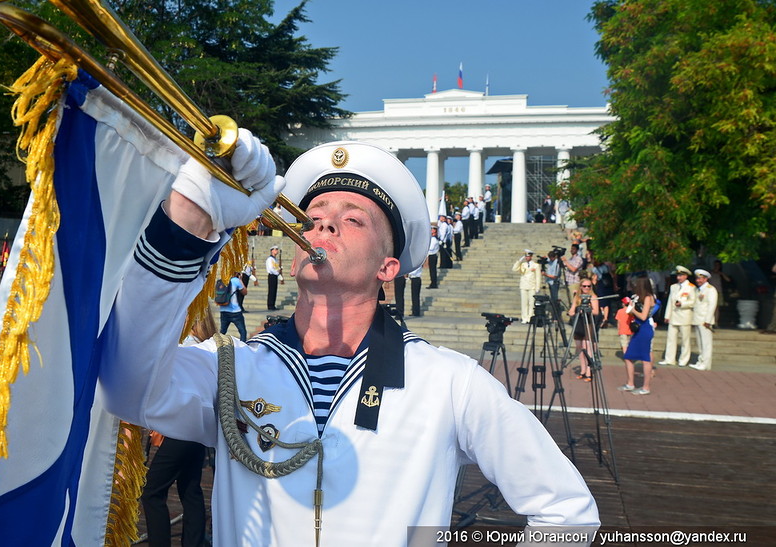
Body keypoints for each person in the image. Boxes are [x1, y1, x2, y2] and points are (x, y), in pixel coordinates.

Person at [100, 135, 599, 544]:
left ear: (388, 268)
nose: (324, 221)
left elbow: (568, 514)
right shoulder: (232, 367)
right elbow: (126, 386)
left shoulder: (449, 382)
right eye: (313, 214)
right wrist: (186, 221)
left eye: (353, 218)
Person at [141, 311, 217, 547]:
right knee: (190, 489)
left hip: (180, 428)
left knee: (152, 492)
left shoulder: (183, 347)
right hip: (200, 429)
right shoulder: (211, 348)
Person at [618, 278, 657, 395]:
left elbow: (644, 316)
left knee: (645, 358)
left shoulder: (648, 297)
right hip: (638, 328)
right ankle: (630, 383)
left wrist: (633, 310)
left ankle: (646, 387)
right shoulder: (638, 297)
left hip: (645, 328)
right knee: (628, 356)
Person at [659, 265, 696, 367]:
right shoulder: (673, 287)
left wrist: (683, 304)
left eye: (681, 275)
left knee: (685, 340)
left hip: (685, 316)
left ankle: (683, 360)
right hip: (674, 316)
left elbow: (693, 302)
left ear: (686, 276)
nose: (678, 277)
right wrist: (667, 315)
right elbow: (670, 302)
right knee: (671, 339)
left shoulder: (691, 287)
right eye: (678, 275)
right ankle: (669, 359)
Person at [568, 278, 600, 382]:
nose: (586, 288)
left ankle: (588, 371)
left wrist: (588, 308)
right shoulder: (577, 297)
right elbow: (571, 311)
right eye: (584, 286)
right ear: (580, 287)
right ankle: (582, 369)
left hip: (589, 323)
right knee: (580, 347)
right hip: (579, 323)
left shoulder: (593, 297)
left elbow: (596, 312)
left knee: (588, 347)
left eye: (588, 286)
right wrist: (577, 309)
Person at [690, 269, 718, 370]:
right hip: (697, 319)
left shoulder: (710, 289)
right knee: (700, 343)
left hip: (705, 321)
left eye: (700, 278)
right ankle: (700, 361)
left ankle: (706, 364)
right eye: (697, 278)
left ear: (706, 279)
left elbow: (712, 306)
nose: (698, 280)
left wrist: (708, 320)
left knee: (706, 343)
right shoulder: (698, 290)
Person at [512, 249, 542, 324]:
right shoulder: (523, 264)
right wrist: (519, 261)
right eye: (525, 256)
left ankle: (530, 317)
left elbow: (538, 277)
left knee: (531, 303)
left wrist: (537, 287)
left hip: (532, 285)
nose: (526, 258)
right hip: (523, 285)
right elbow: (514, 269)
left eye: (528, 256)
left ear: (531, 257)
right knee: (524, 303)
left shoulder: (536, 265)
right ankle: (524, 317)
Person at [217, 272, 247, 341]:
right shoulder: (235, 280)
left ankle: (219, 346)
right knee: (242, 332)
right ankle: (243, 347)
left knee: (223, 332)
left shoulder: (222, 280)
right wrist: (240, 280)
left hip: (223, 310)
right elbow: (245, 292)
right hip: (235, 311)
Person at [265, 245, 281, 311]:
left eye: (277, 249)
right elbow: (271, 269)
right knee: (271, 290)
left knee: (274, 290)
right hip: (272, 275)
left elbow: (276, 267)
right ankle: (270, 305)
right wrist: (277, 273)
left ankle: (273, 304)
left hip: (275, 275)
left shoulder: (274, 259)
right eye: (275, 249)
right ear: (272, 250)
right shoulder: (270, 259)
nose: (277, 251)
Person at [426, 223, 439, 289]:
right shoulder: (432, 239)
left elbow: (431, 248)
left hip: (433, 256)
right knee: (432, 270)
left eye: (432, 230)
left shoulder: (434, 240)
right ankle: (433, 282)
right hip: (431, 255)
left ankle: (433, 283)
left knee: (433, 270)